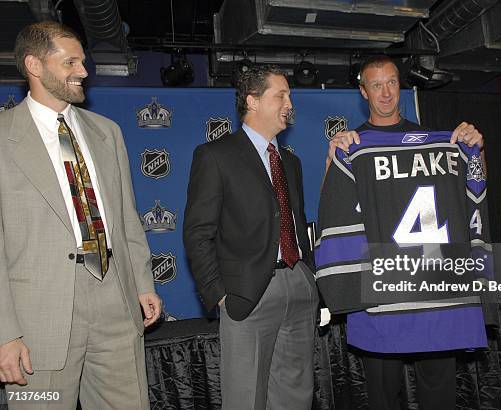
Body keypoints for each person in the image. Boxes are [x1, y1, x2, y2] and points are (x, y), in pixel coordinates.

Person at [0, 22, 161, 409]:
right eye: (70, 61)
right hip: (38, 318)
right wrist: (5, 333)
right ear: (34, 66)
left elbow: (126, 218)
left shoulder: (107, 132)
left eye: (83, 61)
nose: (84, 71)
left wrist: (142, 282)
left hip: (116, 303)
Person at [322, 55, 487, 410]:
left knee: (439, 392)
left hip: (434, 288)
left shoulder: (437, 140)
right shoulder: (354, 145)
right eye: (376, 85)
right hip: (380, 291)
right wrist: (333, 156)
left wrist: (476, 149)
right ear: (363, 92)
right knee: (383, 395)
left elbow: (473, 188)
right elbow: (331, 207)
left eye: (392, 82)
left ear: (401, 85)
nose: (386, 92)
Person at [183, 66, 318, 410]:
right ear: (253, 101)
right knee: (246, 399)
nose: (289, 103)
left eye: (289, 95)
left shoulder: (290, 161)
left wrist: (310, 277)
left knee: (295, 396)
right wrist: (219, 295)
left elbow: (297, 222)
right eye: (281, 95)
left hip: (298, 286)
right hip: (247, 295)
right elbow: (198, 233)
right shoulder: (215, 155)